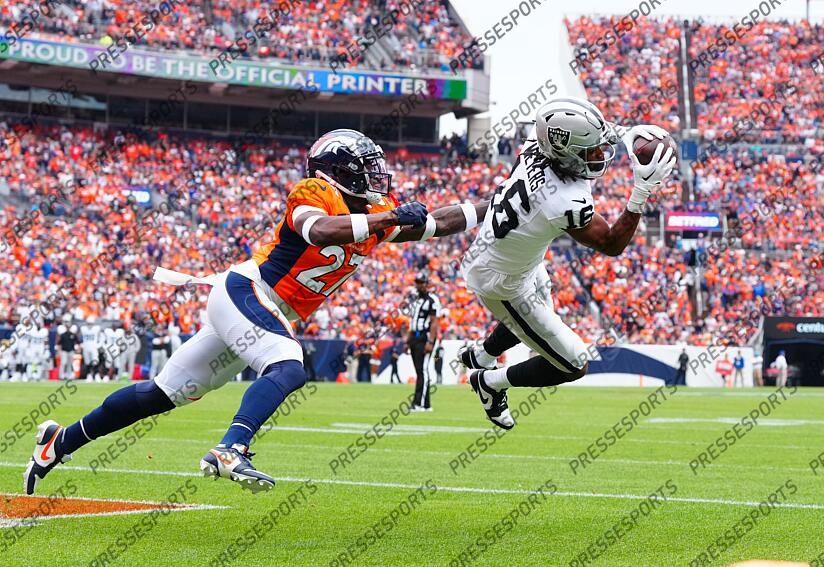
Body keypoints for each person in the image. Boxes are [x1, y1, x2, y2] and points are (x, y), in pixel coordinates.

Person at [25, 128, 488, 495]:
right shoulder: (314, 193)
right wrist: (388, 218)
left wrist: (501, 204)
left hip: (262, 309)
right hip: (247, 291)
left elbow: (441, 221)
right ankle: (231, 448)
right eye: (367, 169)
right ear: (339, 171)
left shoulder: (373, 212)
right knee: (288, 366)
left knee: (160, 395)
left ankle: (58, 442)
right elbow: (321, 232)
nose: (377, 178)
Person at [457, 98, 676, 429]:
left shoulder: (537, 146)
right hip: (502, 282)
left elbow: (574, 133)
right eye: (591, 150)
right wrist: (642, 191)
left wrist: (625, 132)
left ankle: (483, 356)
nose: (601, 154)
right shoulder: (564, 201)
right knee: (574, 363)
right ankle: (489, 383)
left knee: (536, 321)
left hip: (515, 258)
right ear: (567, 153)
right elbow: (612, 244)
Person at [407, 272, 440, 411]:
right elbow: (412, 322)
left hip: (425, 337)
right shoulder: (415, 300)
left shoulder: (433, 300)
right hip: (414, 337)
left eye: (421, 282)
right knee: (419, 371)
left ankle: (418, 403)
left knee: (423, 371)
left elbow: (434, 322)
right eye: (417, 282)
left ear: (427, 284)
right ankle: (426, 404)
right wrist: (407, 341)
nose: (419, 285)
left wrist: (431, 341)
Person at [56, 315, 80, 381]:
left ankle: (69, 376)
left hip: (71, 350)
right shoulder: (63, 334)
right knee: (63, 363)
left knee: (70, 364)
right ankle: (61, 376)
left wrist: (77, 348)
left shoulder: (73, 334)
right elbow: (59, 343)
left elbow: (77, 342)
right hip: (64, 350)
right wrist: (58, 350)